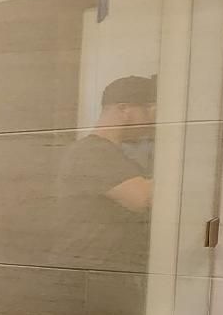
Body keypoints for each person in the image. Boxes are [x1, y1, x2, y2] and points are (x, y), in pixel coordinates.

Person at [56, 73, 156, 274]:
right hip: (89, 276)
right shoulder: (93, 152)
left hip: (97, 273)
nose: (153, 123)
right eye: (151, 112)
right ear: (124, 109)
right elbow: (142, 198)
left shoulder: (105, 153)